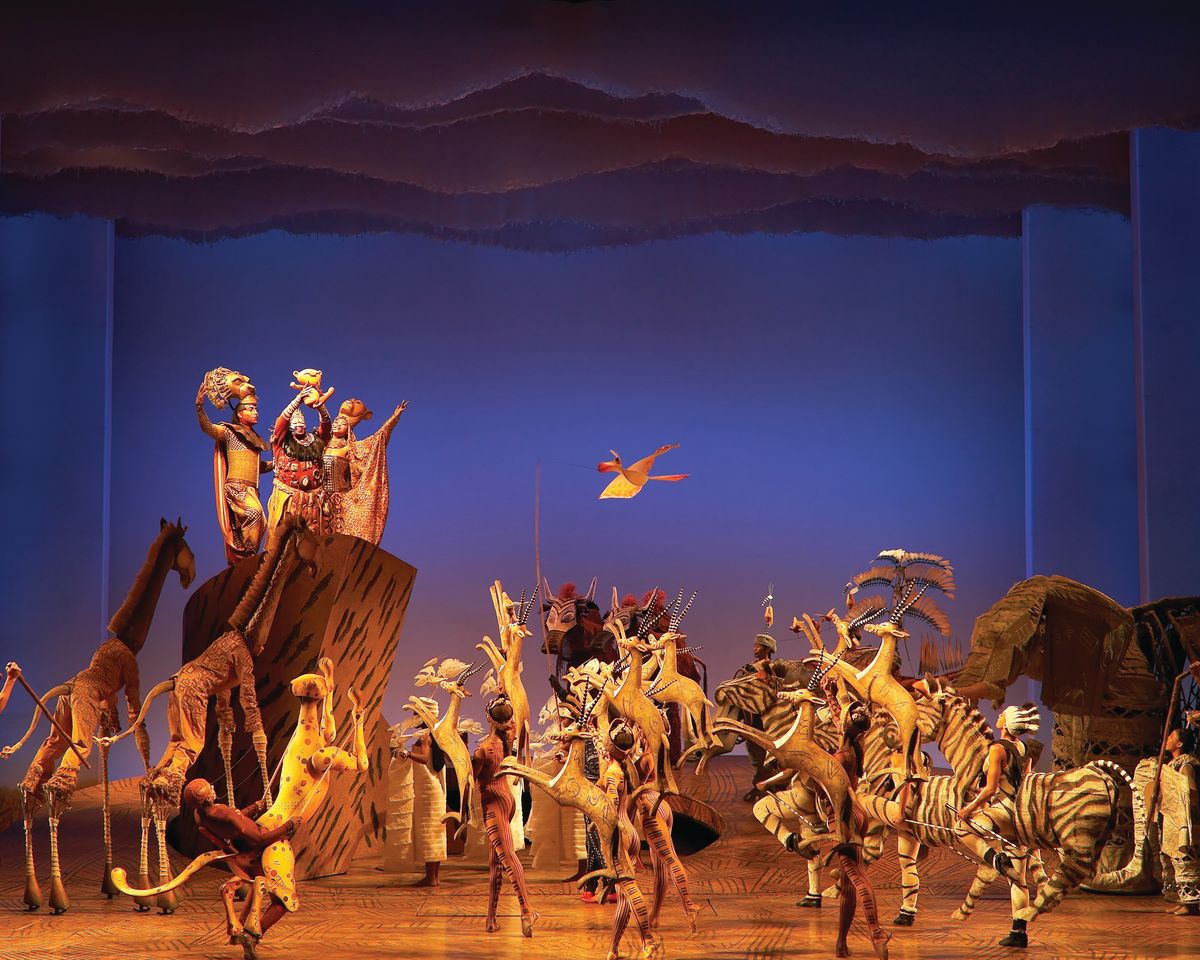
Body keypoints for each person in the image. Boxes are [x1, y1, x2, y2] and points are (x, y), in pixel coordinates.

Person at [956, 702, 1040, 948]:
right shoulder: (1024, 747)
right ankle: (1018, 932)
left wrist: (969, 808)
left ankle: (995, 860)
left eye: (1003, 714)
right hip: (1021, 816)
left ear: (1007, 723)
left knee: (961, 828)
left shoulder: (997, 749)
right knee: (1019, 879)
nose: (999, 715)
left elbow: (991, 789)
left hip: (1003, 811)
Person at [828, 703, 891, 959]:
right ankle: (841, 944)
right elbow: (839, 718)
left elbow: (835, 794)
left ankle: (876, 932)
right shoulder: (855, 748)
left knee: (857, 876)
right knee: (847, 885)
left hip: (845, 817)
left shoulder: (840, 757)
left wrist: (840, 828)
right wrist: (830, 693)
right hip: (858, 813)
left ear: (844, 726)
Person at [473, 695, 536, 937]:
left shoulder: (484, 750)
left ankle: (526, 909)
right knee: (495, 863)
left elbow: (473, 778)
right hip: (506, 798)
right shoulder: (506, 740)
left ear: (488, 718)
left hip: (493, 803)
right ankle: (491, 918)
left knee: (507, 857)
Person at [196, 379, 271, 564]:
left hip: (252, 490)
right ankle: (249, 557)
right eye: (251, 409)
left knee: (262, 522)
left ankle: (246, 557)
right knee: (254, 514)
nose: (256, 412)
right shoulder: (230, 432)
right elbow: (209, 428)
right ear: (240, 413)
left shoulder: (255, 439)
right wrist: (199, 407)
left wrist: (276, 464)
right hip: (236, 487)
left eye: (256, 409)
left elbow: (257, 467)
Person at [320, 399, 408, 543]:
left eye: (342, 423)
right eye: (335, 422)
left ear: (348, 428)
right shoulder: (320, 447)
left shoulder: (351, 448)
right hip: (319, 499)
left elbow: (377, 439)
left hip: (340, 501)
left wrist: (394, 418)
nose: (337, 424)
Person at [267, 386, 331, 536]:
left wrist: (320, 407)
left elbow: (326, 428)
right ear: (290, 426)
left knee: (314, 539)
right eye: (295, 424)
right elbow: (280, 423)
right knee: (285, 538)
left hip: (313, 499)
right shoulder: (282, 441)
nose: (299, 426)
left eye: (301, 423)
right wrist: (297, 400)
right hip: (288, 497)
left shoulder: (315, 440)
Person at [392, 721, 448, 887]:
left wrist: (408, 753)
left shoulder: (425, 736)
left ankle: (431, 877)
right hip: (433, 789)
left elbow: (424, 759)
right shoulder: (434, 734)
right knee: (434, 834)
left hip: (427, 792)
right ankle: (434, 877)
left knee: (429, 833)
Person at [1158, 724, 1199, 916]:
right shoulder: (1173, 766)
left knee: (1187, 861)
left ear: (1180, 744)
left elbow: (1190, 793)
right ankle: (1183, 900)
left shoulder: (1186, 766)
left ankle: (1191, 903)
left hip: (1185, 821)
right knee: (1177, 861)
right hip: (1174, 820)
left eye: (1171, 737)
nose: (1167, 739)